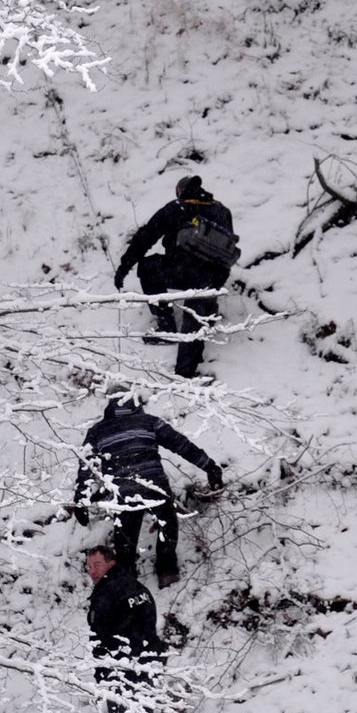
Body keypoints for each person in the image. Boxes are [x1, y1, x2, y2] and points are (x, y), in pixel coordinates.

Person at [73, 389, 223, 587]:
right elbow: (181, 445)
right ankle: (167, 571)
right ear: (135, 402)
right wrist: (209, 466)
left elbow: (87, 465)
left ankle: (127, 581)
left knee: (125, 538)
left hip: (124, 492)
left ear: (110, 404)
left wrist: (81, 499)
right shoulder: (149, 422)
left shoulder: (97, 431)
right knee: (167, 525)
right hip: (155, 486)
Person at [113, 175, 239, 378]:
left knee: (148, 267)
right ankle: (186, 371)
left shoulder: (176, 209)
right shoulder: (222, 210)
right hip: (213, 277)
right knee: (196, 312)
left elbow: (143, 239)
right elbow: (227, 249)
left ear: (180, 191)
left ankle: (166, 326)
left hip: (183, 271)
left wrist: (123, 268)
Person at [86, 545, 164, 713]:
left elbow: (102, 636)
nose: (91, 571)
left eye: (96, 565)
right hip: (147, 661)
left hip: (120, 667)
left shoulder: (107, 593)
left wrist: (104, 669)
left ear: (111, 562)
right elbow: (149, 622)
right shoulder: (137, 587)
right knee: (142, 709)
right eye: (89, 566)